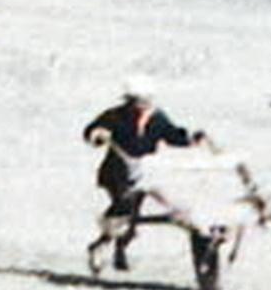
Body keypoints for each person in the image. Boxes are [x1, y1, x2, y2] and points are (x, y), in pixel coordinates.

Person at [84, 87, 201, 273]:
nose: (141, 105)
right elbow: (93, 130)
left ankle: (120, 250)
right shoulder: (115, 115)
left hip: (144, 172)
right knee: (123, 205)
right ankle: (101, 244)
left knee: (132, 216)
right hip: (117, 171)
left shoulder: (157, 118)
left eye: (145, 100)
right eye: (136, 101)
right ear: (128, 101)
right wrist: (98, 135)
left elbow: (172, 135)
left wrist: (191, 139)